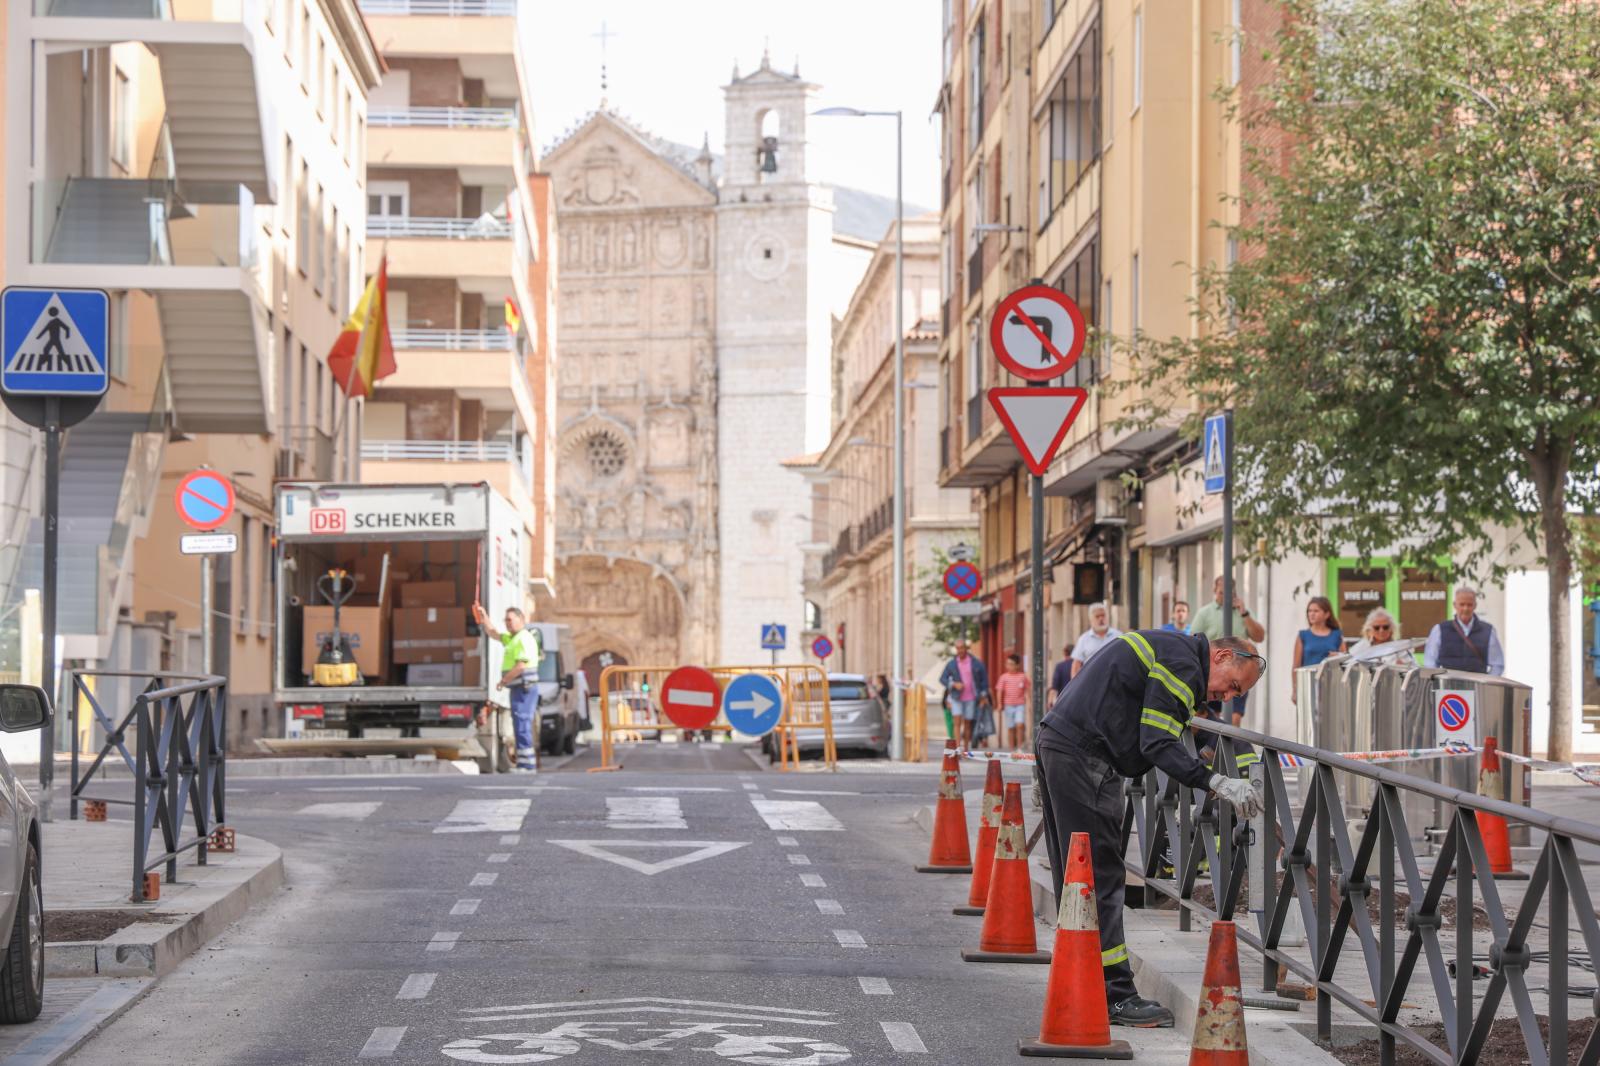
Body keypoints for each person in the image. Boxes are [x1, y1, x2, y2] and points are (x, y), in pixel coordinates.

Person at [1036, 630, 1266, 1028]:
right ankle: (1117, 995)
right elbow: (1157, 742)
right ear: (1224, 655)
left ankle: (1081, 981)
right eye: (1232, 686)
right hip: (1085, 757)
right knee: (1099, 880)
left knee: (1076, 881)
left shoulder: (1173, 651)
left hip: (1067, 746)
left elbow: (1185, 722)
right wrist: (1216, 782)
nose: (1227, 698)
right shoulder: (1183, 665)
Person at [473, 603, 543, 772]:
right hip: (519, 689)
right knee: (519, 726)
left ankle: (527, 766)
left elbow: (520, 666)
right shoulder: (513, 638)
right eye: (506, 620)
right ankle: (524, 764)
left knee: (523, 726)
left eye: (510, 620)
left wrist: (503, 681)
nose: (507, 623)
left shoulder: (524, 638)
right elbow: (493, 633)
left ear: (521, 620)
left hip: (525, 689)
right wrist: (484, 617)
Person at [1190, 576, 1267, 724]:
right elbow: (1193, 641)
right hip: (1214, 672)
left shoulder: (1244, 612)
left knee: (1235, 717)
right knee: (1213, 716)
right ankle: (1215, 746)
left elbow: (1259, 636)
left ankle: (1232, 746)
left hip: (1238, 671)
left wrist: (1244, 613)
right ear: (1214, 590)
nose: (1225, 596)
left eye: (1228, 592)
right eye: (1221, 592)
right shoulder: (1205, 613)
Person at [1423, 586, 1505, 675]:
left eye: (1469, 605)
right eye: (1462, 604)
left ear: (1475, 605)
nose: (1465, 609)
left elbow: (1497, 665)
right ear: (1455, 605)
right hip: (1447, 686)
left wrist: (1487, 684)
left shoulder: (1488, 631)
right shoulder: (1439, 630)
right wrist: (1438, 682)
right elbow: (1430, 663)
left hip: (1477, 687)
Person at [938, 640, 990, 749]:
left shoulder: (976, 663)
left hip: (971, 698)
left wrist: (983, 696)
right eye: (958, 648)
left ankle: (965, 749)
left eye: (962, 648)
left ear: (966, 649)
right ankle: (957, 749)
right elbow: (942, 679)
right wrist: (953, 684)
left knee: (967, 724)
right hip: (956, 698)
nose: (960, 650)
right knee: (957, 723)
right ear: (956, 649)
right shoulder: (951, 664)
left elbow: (984, 681)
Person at [1291, 596, 1343, 701]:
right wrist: (1295, 690)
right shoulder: (1303, 635)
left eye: (1316, 611)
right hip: (1308, 685)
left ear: (1327, 614)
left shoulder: (1337, 635)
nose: (1311, 614)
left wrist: (1338, 657)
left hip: (1331, 686)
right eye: (1309, 611)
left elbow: (1346, 660)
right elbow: (1296, 666)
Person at [1070, 603, 1123, 679]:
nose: (1101, 619)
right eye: (1097, 616)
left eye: (1103, 615)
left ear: (1107, 617)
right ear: (1091, 620)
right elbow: (1076, 665)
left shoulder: (1118, 636)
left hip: (1114, 680)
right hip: (1091, 681)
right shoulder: (1084, 639)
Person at [1349, 607, 1414, 665]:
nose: (1381, 630)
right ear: (1369, 629)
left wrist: (1404, 668)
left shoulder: (1402, 649)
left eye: (1385, 627)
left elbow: (1415, 671)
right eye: (1376, 627)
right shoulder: (1360, 648)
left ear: (1392, 629)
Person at [994, 653, 1030, 752]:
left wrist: (1029, 704)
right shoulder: (1004, 677)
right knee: (1010, 727)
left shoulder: (1023, 676)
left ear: (1017, 665)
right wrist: (999, 704)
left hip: (1020, 705)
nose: (1009, 666)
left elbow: (1027, 690)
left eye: (1011, 664)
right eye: (1007, 664)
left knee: (1019, 724)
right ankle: (1011, 748)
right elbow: (999, 691)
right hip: (1008, 705)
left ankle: (1019, 747)